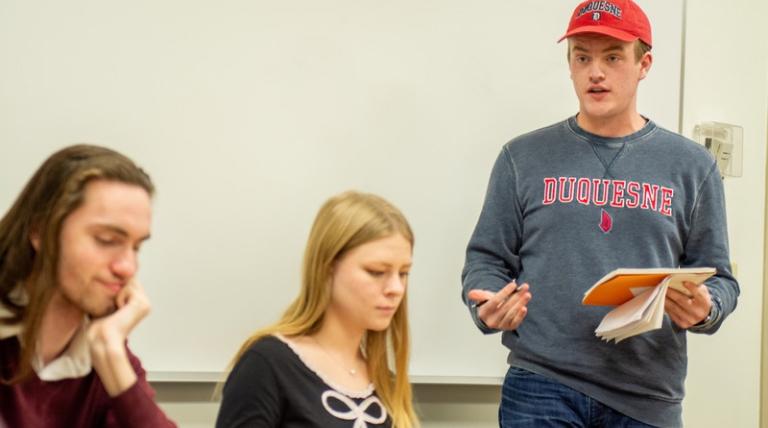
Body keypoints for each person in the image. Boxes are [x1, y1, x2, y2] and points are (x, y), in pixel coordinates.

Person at [461, 1, 738, 427]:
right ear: (569, 64)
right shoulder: (522, 157)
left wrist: (707, 308)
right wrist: (486, 303)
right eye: (582, 56)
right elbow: (486, 261)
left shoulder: (692, 166)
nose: (595, 71)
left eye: (612, 57)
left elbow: (719, 278)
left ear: (644, 64)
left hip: (646, 394)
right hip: (541, 385)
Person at [0, 145, 176, 427]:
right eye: (106, 239)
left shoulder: (106, 353)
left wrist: (112, 355)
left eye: (136, 247)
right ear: (40, 232)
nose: (128, 268)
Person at [216, 191, 418, 428]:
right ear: (327, 268)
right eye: (376, 271)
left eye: (403, 273)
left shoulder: (386, 383)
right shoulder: (268, 365)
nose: (396, 288)